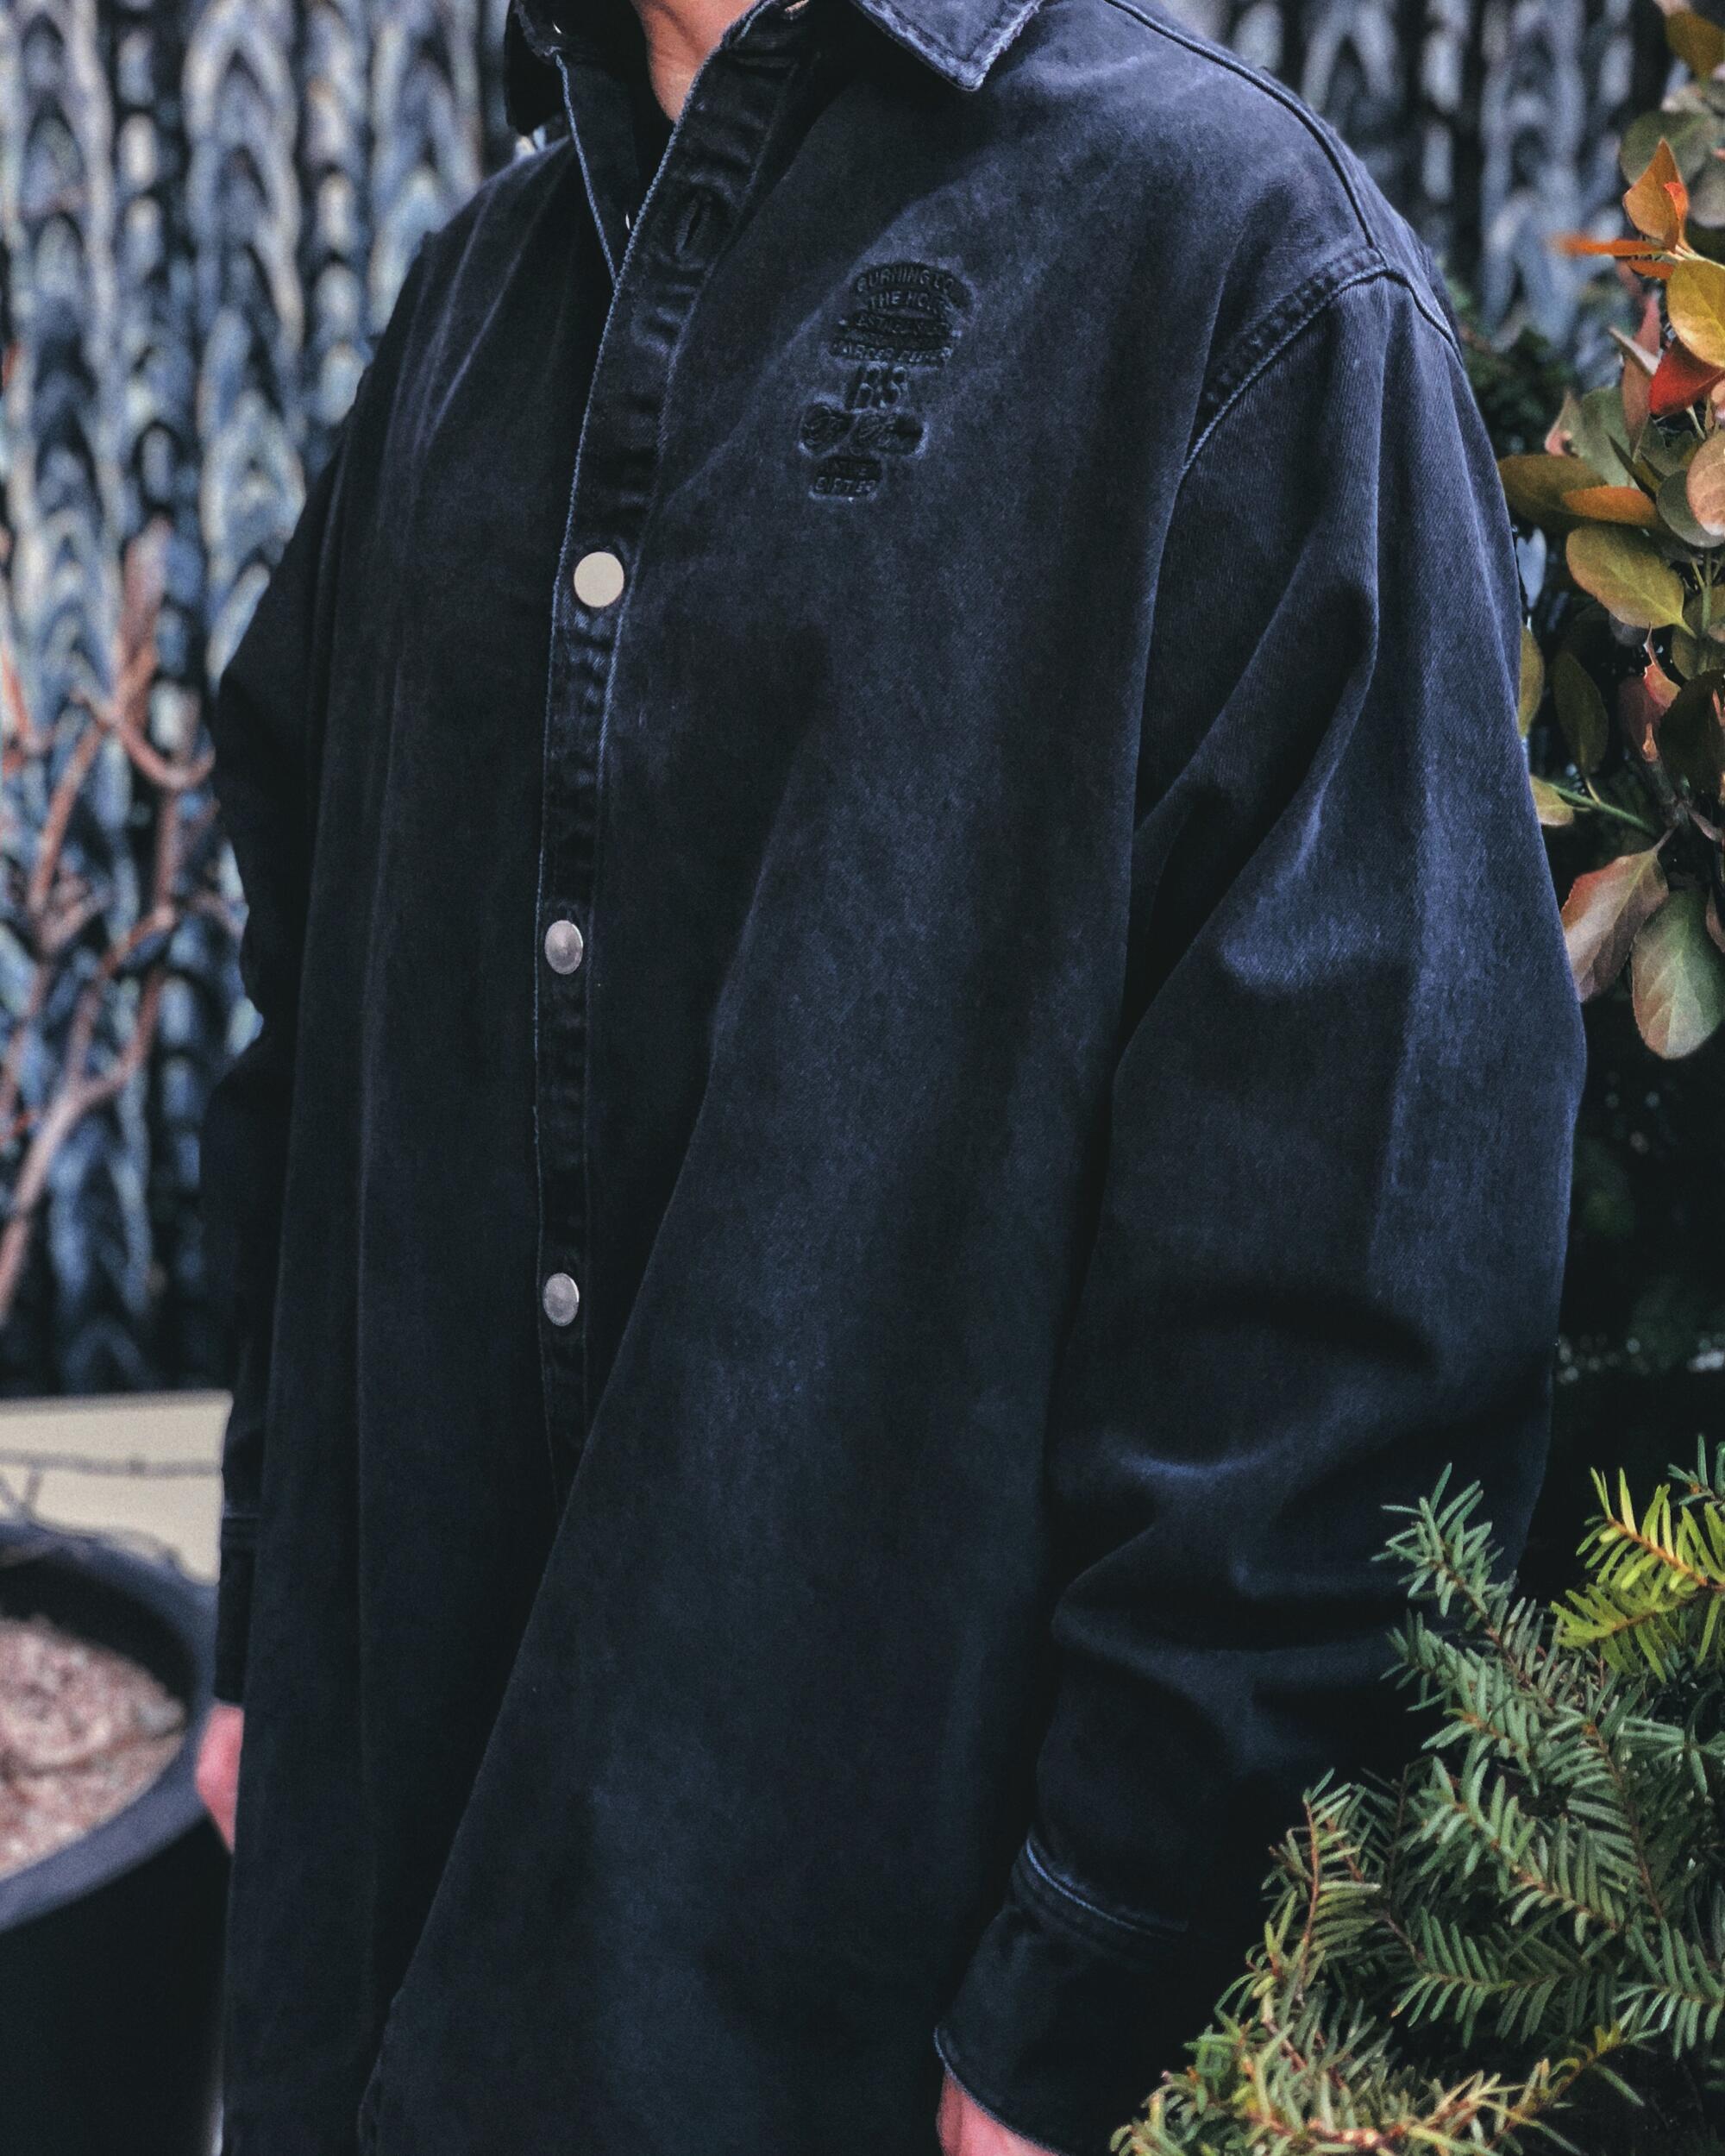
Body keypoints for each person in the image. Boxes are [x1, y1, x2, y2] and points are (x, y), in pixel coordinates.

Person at [192, 0, 1585, 2148]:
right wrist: (270, 1620)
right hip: (400, 1952)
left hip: (863, 2033)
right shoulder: (475, 294)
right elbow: (313, 1015)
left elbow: (1358, 1255)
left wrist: (1097, 1972)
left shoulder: (1238, 273)